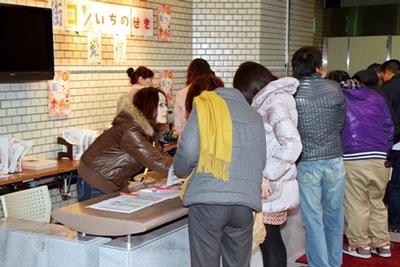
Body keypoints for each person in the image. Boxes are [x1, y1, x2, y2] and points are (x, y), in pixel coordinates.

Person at [173, 77, 266, 267]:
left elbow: (188, 150)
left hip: (209, 202)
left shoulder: (204, 105)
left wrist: (180, 171)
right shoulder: (254, 115)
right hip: (244, 204)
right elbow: (261, 160)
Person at [233, 61, 302, 267]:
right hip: (274, 184)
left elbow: (292, 144)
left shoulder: (274, 102)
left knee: (270, 240)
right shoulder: (272, 99)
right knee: (270, 239)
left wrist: (267, 174)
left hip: (273, 185)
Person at [327, 74, 394, 259]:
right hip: (380, 157)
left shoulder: (338, 97)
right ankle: (382, 244)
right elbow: (389, 126)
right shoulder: (376, 96)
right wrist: (384, 148)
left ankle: (360, 246)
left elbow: (335, 127)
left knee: (357, 203)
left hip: (353, 156)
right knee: (377, 202)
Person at [291, 46, 346, 267]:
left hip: (307, 162)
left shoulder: (293, 92)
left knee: (313, 220)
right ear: (318, 66)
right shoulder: (334, 87)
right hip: (334, 159)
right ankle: (335, 262)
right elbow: (340, 122)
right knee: (334, 215)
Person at [77, 87, 172, 201]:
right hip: (95, 183)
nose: (166, 109)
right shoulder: (131, 130)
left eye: (166, 105)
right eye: (161, 105)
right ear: (148, 107)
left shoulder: (147, 129)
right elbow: (156, 160)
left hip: (109, 181)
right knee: (101, 219)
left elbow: (159, 155)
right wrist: (189, 169)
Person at [380, 59, 400, 233]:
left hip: (395, 143)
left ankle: (395, 222)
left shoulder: (387, 89)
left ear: (387, 72)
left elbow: (386, 119)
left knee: (394, 186)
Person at [173, 58, 214, 134]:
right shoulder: (214, 91)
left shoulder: (182, 93)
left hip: (189, 138)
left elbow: (178, 126)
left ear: (190, 73)